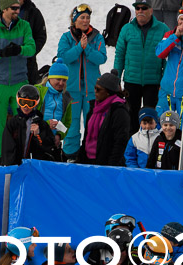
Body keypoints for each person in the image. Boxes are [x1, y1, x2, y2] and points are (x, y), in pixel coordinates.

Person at [0, 0, 36, 165]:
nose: (18, 11)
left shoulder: (24, 26)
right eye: (14, 8)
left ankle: (20, 157)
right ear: (4, 8)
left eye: (19, 8)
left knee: (22, 123)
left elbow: (32, 48)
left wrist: (20, 49)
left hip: (20, 82)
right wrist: (1, 53)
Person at [57, 4, 107, 161]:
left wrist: (87, 49)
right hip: (72, 89)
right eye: (82, 18)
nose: (85, 21)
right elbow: (64, 58)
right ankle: (70, 154)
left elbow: (101, 58)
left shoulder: (97, 37)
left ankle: (91, 155)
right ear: (74, 20)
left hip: (92, 90)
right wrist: (79, 47)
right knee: (71, 125)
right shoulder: (66, 37)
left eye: (87, 17)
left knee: (92, 125)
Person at [113, 1, 169, 132]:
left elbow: (168, 58)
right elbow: (119, 54)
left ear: (151, 10)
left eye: (144, 8)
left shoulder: (163, 29)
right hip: (131, 80)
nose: (140, 11)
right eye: (137, 8)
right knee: (131, 116)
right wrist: (116, 79)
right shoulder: (126, 29)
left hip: (153, 82)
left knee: (150, 117)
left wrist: (164, 81)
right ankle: (131, 147)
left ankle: (149, 147)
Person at [78, 70, 130, 166]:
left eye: (98, 89)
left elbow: (120, 141)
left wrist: (111, 166)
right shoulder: (94, 107)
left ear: (108, 93)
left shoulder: (119, 110)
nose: (95, 91)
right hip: (89, 160)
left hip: (107, 164)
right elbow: (87, 135)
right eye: (95, 88)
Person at [1, 85, 57, 165]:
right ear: (18, 102)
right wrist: (10, 167)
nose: (26, 107)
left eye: (30, 104)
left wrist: (39, 134)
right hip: (17, 168)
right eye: (23, 102)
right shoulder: (12, 123)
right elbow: (7, 148)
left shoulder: (41, 124)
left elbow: (49, 147)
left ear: (35, 104)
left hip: (35, 168)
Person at [35, 59, 73, 150]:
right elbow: (29, 116)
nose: (61, 83)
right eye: (58, 79)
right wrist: (46, 124)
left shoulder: (66, 98)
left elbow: (67, 123)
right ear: (50, 77)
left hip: (53, 142)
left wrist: (59, 135)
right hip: (36, 139)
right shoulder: (38, 91)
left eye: (64, 80)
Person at [18, 0, 47, 85]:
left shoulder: (34, 12)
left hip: (28, 65)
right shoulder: (3, 13)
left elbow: (41, 36)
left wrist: (30, 51)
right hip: (6, 67)